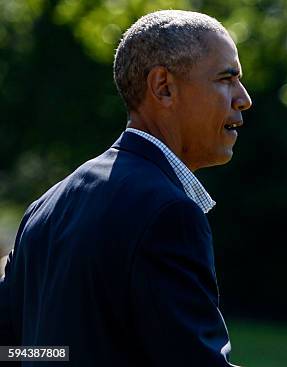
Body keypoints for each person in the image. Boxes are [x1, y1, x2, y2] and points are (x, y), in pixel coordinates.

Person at [0, 10, 251, 366]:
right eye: (227, 79)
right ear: (163, 87)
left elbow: (11, 351)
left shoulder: (46, 206)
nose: (243, 98)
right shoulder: (168, 213)